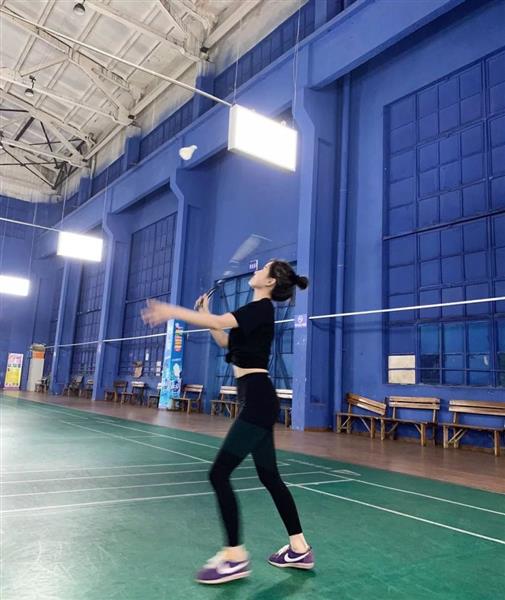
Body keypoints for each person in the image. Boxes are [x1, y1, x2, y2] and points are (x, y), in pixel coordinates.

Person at [142, 260, 314, 585]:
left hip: (258, 400)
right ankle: (299, 548)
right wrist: (207, 314)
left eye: (263, 268)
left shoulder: (260, 309)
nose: (257, 270)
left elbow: (221, 322)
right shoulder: (255, 313)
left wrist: (171, 311)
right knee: (269, 476)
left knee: (219, 473)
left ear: (270, 281)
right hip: (257, 399)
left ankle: (234, 557)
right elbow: (224, 339)